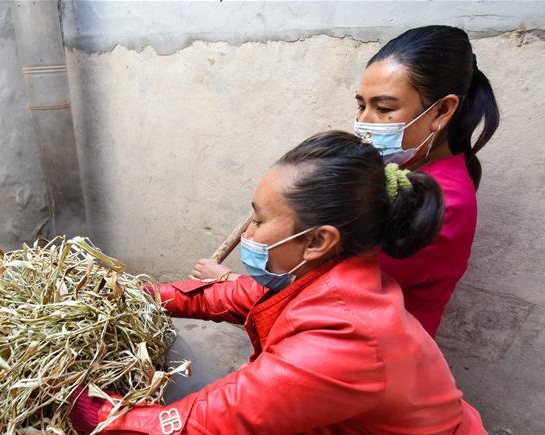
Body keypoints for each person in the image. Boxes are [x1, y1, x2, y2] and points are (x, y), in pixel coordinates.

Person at [70, 131, 529, 435]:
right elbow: (232, 295)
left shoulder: (347, 337)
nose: (247, 233)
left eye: (260, 219)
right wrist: (135, 297)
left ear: (316, 241)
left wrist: (90, 409)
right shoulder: (326, 277)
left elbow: (209, 421)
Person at [192, 25, 498, 338]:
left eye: (383, 108)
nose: (363, 122)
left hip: (366, 351)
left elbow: (329, 289)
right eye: (361, 105)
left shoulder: (445, 201)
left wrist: (227, 282)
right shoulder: (388, 169)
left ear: (442, 110)